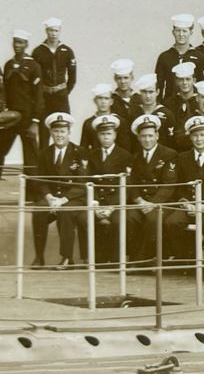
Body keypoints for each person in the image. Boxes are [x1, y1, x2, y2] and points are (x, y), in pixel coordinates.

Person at [168, 115, 204, 279]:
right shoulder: (182, 158)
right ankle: (184, 261)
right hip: (189, 206)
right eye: (195, 135)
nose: (199, 139)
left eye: (202, 135)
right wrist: (186, 203)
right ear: (190, 137)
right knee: (172, 222)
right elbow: (179, 186)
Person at [33, 113, 88, 270]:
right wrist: (50, 198)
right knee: (38, 211)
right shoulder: (44, 153)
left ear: (69, 132)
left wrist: (63, 200)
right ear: (51, 133)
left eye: (63, 131)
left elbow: (82, 183)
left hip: (73, 198)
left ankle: (67, 258)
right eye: (56, 131)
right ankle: (39, 257)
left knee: (66, 212)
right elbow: (41, 180)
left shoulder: (80, 152)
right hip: (52, 197)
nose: (59, 135)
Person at [127, 114, 178, 265]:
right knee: (129, 217)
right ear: (138, 138)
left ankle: (145, 260)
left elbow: (169, 184)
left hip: (163, 202)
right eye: (143, 136)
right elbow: (132, 183)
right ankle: (134, 257)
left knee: (152, 219)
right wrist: (139, 201)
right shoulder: (135, 157)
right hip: (142, 202)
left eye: (150, 135)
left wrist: (153, 203)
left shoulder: (169, 154)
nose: (147, 140)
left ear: (157, 136)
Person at [86, 114, 132, 264]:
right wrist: (95, 203)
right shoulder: (92, 155)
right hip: (97, 202)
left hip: (116, 203)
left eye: (109, 133)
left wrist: (112, 207)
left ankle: (116, 259)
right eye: (102, 134)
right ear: (97, 136)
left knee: (118, 221)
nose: (106, 137)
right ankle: (96, 259)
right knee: (84, 218)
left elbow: (126, 185)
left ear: (115, 135)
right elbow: (89, 181)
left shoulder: (124, 155)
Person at [0, 30, 42, 188]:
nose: (17, 45)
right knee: (0, 148)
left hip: (27, 117)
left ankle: (33, 191)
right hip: (11, 117)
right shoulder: (8, 65)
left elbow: (38, 96)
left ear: (26, 44)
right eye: (15, 41)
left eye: (20, 42)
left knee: (30, 155)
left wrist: (35, 122)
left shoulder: (33, 66)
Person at [32, 17, 77, 147]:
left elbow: (72, 78)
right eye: (51, 30)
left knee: (64, 129)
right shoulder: (38, 51)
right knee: (44, 133)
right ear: (46, 31)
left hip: (61, 97)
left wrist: (63, 92)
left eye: (56, 30)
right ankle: (44, 160)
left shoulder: (67, 51)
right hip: (45, 97)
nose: (53, 33)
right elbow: (34, 77)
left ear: (60, 31)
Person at [155, 14, 204, 100]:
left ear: (191, 33)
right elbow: (159, 86)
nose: (181, 34)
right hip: (170, 103)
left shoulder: (199, 57)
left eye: (184, 31)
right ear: (173, 32)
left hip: (193, 104)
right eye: (178, 31)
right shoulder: (164, 57)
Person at [128, 74, 175, 150]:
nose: (148, 96)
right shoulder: (134, 113)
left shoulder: (166, 114)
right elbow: (131, 140)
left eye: (151, 92)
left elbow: (171, 141)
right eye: (144, 92)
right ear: (140, 92)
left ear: (157, 92)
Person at [80, 83, 117, 152]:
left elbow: (125, 149)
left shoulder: (119, 121)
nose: (103, 102)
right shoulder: (88, 123)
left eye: (106, 98)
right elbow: (83, 149)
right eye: (100, 98)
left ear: (111, 101)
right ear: (95, 100)